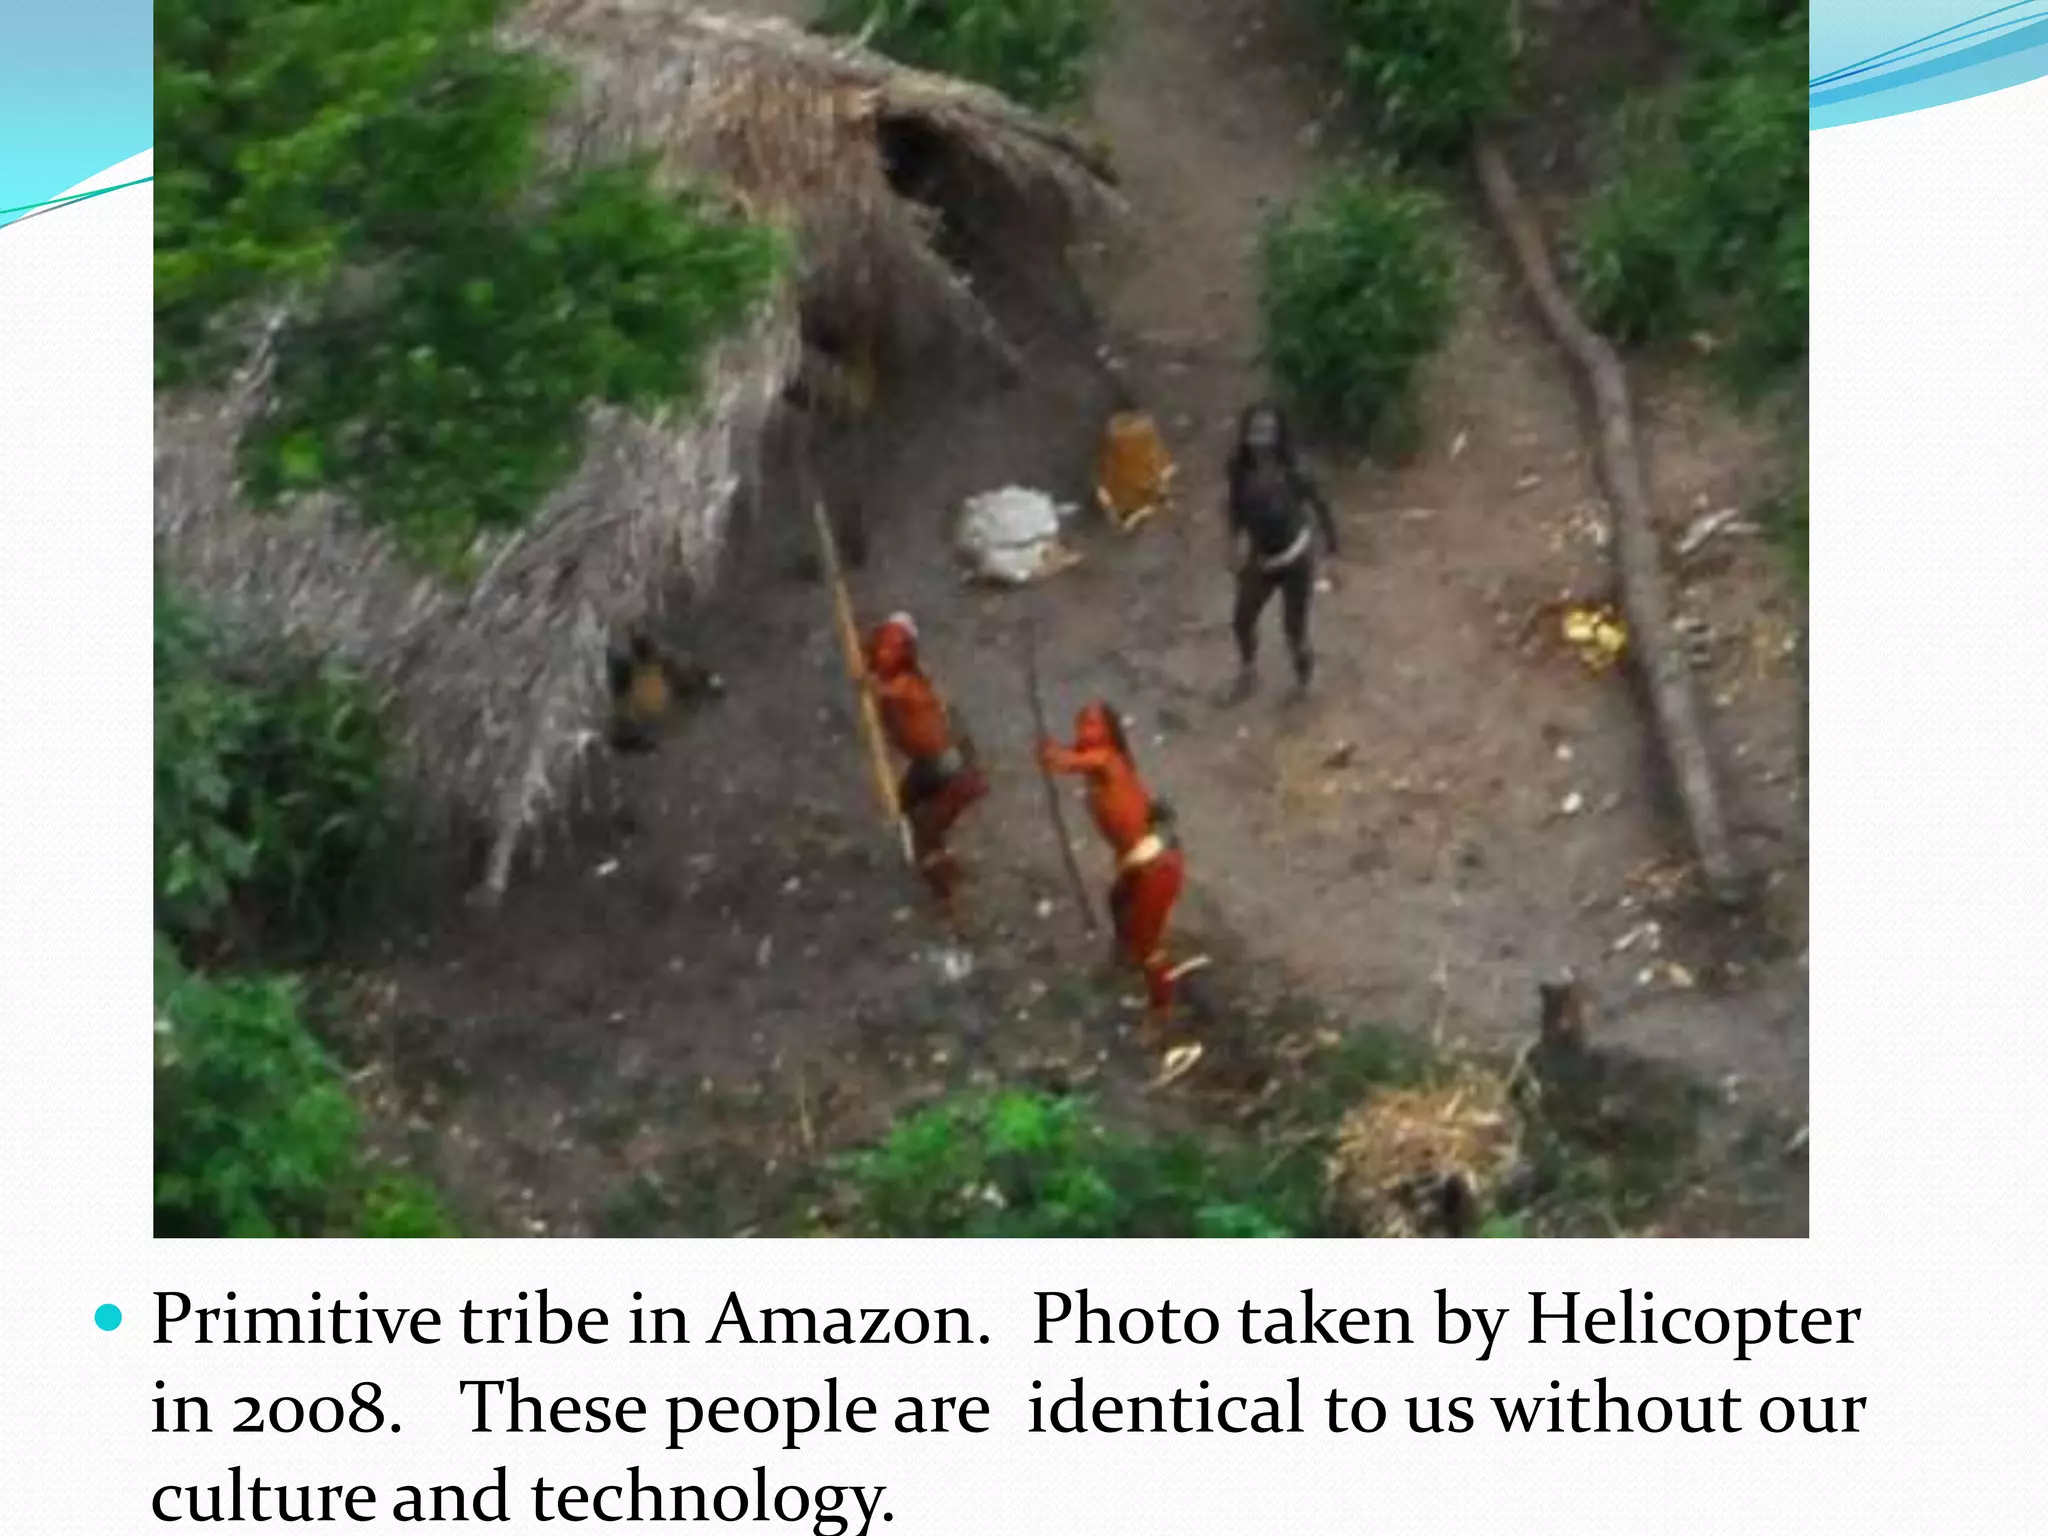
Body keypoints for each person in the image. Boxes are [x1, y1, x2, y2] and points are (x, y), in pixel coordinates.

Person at [1038, 700, 1188, 1044]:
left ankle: (1161, 1009)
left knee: (1148, 946)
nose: (1084, 731)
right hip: (1136, 862)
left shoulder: (1107, 759)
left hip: (1156, 865)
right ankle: (1126, 955)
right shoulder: (1093, 763)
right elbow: (1066, 759)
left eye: (1092, 724)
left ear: (1109, 730)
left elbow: (1067, 761)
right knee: (1118, 900)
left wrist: (1052, 756)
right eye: (1080, 724)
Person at [863, 612, 987, 912]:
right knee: (908, 809)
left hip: (945, 766)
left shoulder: (909, 684)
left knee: (925, 827)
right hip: (929, 765)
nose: (885, 652)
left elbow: (889, 692)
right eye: (882, 645)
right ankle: (941, 869)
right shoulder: (894, 681)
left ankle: (948, 898)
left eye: (893, 647)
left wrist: (866, 684)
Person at [1223, 401, 1340, 701]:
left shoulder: (1294, 472)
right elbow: (1236, 509)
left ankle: (1304, 685)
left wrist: (1331, 554)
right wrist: (1231, 542)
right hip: (1261, 559)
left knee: (1294, 631)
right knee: (1242, 619)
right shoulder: (1239, 470)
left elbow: (1321, 508)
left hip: (1295, 559)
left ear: (1278, 436)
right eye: (1255, 430)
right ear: (1245, 434)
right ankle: (1248, 671)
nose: (1260, 438)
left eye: (1267, 431)